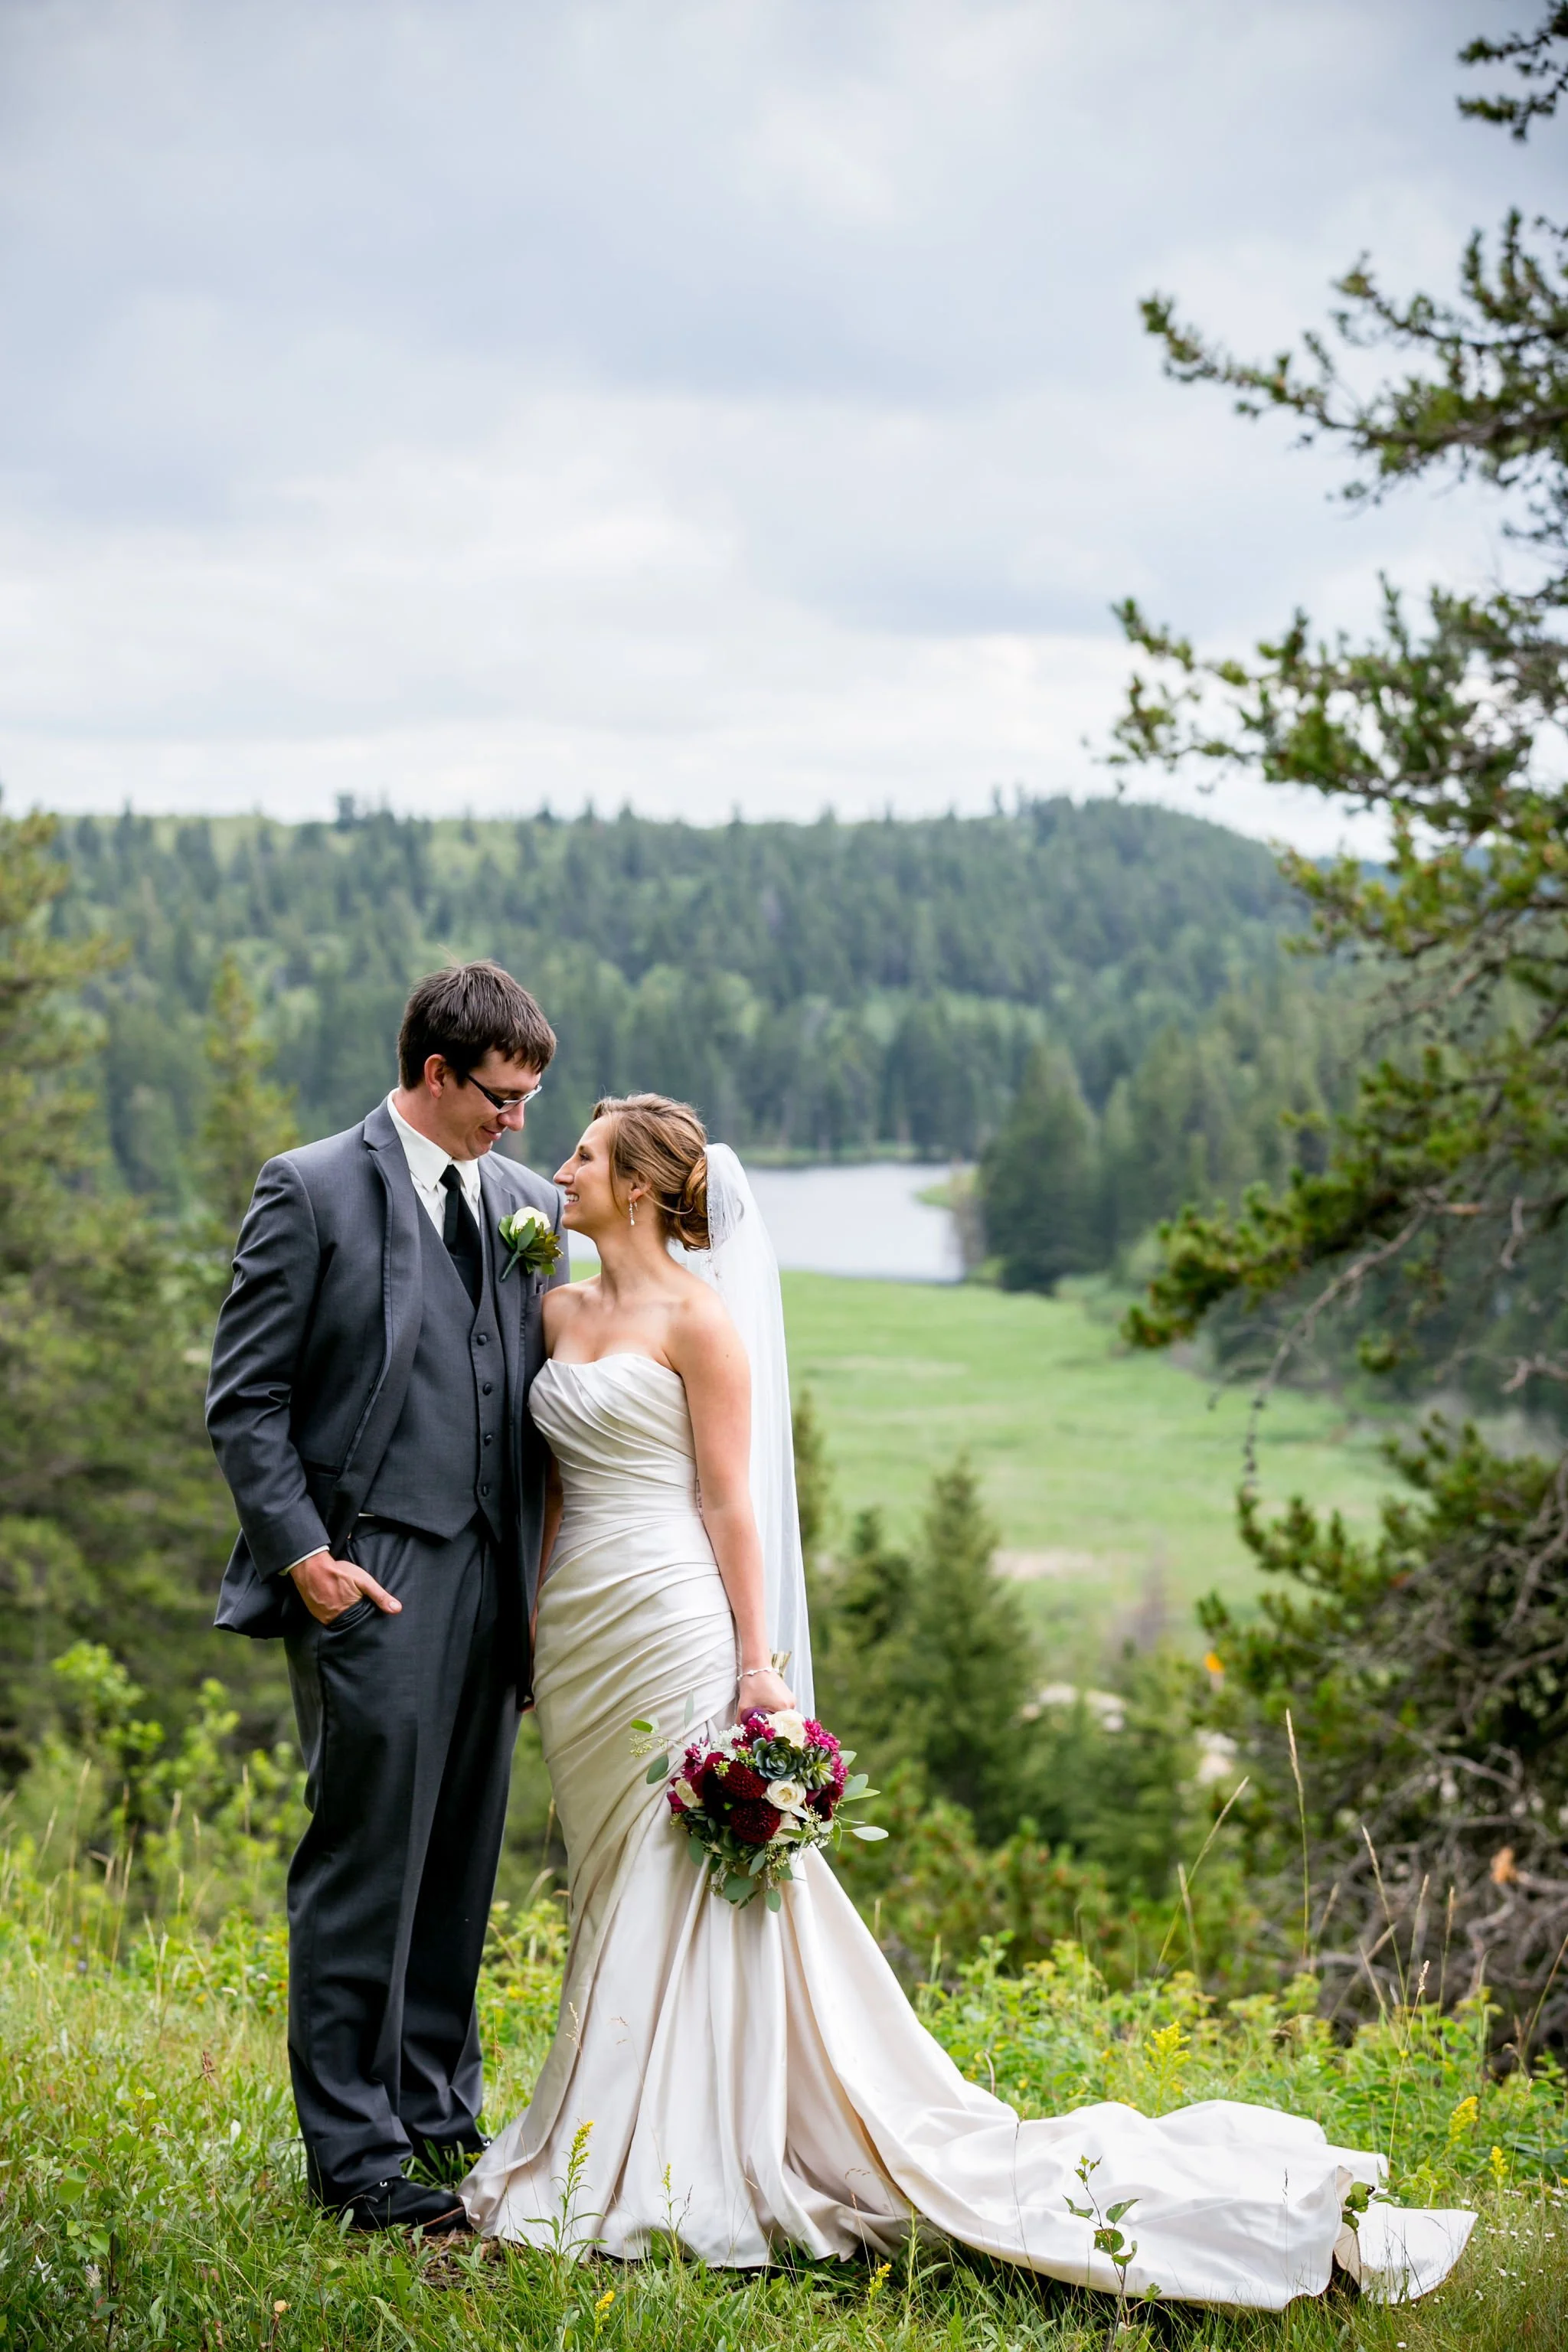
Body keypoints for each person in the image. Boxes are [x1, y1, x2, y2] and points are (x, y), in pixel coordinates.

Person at [463, 1092, 1475, 2309]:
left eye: (579, 1154)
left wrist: (757, 1665)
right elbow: (560, 1487)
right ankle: (608, 2120)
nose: (554, 1168)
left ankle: (676, 2149)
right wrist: (530, 1615)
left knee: (680, 1872)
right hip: (581, 1629)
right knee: (610, 1869)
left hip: (675, 1617)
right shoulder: (560, 1307)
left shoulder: (703, 1321)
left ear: (636, 1185)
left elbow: (733, 1504)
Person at [206, 961, 565, 2233]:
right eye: (503, 1096)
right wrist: (308, 1559)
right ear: (433, 1072)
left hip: (497, 1581)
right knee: (366, 1863)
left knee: (462, 1860)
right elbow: (242, 1399)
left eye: (531, 1096)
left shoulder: (527, 1203)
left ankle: (437, 2119)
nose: (520, 1121)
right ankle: (355, 2161)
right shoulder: (310, 1188)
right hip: (374, 1576)